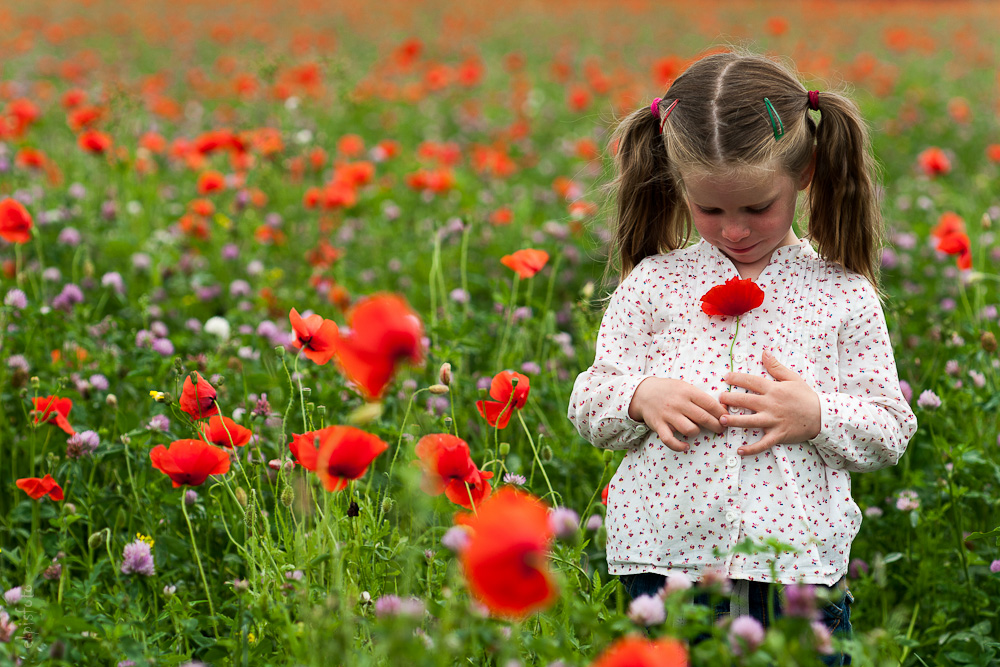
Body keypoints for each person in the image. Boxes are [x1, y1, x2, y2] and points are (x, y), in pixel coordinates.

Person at [568, 50, 917, 665]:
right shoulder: (653, 285)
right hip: (664, 568)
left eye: (757, 207)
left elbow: (891, 427)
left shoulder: (840, 291)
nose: (734, 230)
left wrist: (817, 414)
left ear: (805, 173)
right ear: (678, 186)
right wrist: (639, 395)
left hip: (796, 573)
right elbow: (590, 403)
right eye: (711, 210)